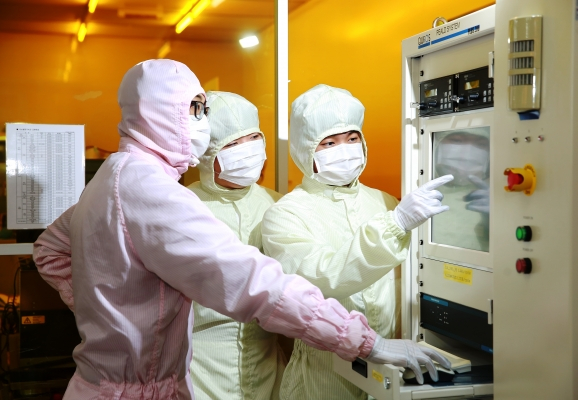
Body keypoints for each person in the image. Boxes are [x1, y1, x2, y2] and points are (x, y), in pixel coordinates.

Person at [32, 62, 449, 399]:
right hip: (161, 383)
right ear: (158, 113)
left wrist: (111, 314)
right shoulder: (155, 191)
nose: (201, 121)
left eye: (203, 109)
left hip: (154, 379)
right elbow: (253, 282)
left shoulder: (115, 176)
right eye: (194, 109)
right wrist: (368, 343)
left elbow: (49, 250)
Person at [261, 84, 454, 400]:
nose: (344, 149)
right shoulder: (284, 214)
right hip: (323, 375)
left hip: (393, 362)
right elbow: (323, 278)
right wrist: (394, 225)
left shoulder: (385, 202)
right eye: (329, 142)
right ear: (304, 150)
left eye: (352, 139)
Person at [186, 91, 284, 399]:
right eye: (232, 144)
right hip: (200, 367)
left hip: (268, 362)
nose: (247, 150)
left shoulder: (278, 205)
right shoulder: (183, 206)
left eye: (253, 138)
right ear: (206, 152)